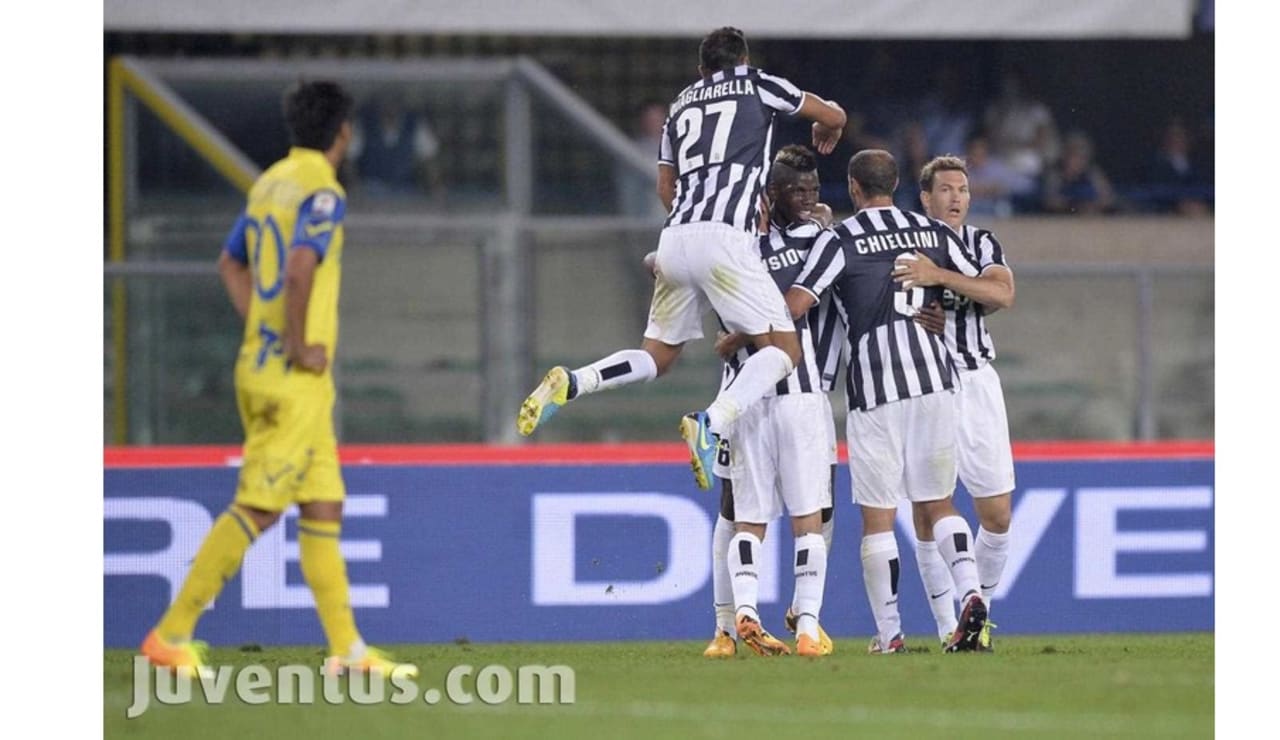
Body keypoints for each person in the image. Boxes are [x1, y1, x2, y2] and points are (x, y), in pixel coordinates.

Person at [139, 81, 416, 679]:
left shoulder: (269, 183)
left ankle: (348, 651)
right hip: (294, 379)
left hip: (266, 369)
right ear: (344, 132)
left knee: (323, 503)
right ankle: (170, 634)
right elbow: (299, 268)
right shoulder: (324, 191)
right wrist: (294, 342)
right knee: (259, 508)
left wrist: (262, 330)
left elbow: (230, 262)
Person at [516, 26, 847, 492]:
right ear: (743, 59)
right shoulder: (757, 83)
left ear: (701, 69)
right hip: (726, 238)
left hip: (674, 238)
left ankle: (576, 381)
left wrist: (692, 228)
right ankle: (711, 422)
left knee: (657, 355)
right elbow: (832, 113)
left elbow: (664, 187)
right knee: (784, 351)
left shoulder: (679, 106)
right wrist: (829, 127)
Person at [784, 149, 989, 654]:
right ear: (896, 185)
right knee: (939, 504)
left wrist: (745, 321)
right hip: (935, 380)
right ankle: (971, 592)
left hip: (875, 388)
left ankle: (890, 632)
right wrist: (942, 289)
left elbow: (800, 302)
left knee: (878, 518)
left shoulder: (841, 238)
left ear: (854, 188)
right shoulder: (933, 232)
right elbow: (987, 288)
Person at [695, 145, 839, 658]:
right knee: (782, 516)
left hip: (757, 400)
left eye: (814, 190)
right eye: (798, 190)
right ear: (771, 193)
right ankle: (771, 627)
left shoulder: (739, 246)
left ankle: (751, 618)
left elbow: (790, 305)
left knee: (755, 517)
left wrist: (738, 334)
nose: (809, 199)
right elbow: (791, 307)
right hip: (782, 397)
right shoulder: (816, 242)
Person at [896, 155, 1017, 650]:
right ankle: (950, 626)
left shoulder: (982, 242)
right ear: (926, 197)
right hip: (927, 386)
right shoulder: (906, 245)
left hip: (977, 382)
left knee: (998, 515)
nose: (956, 198)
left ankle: (977, 614)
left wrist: (942, 278)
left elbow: (1001, 294)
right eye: (946, 190)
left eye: (963, 190)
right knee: (929, 510)